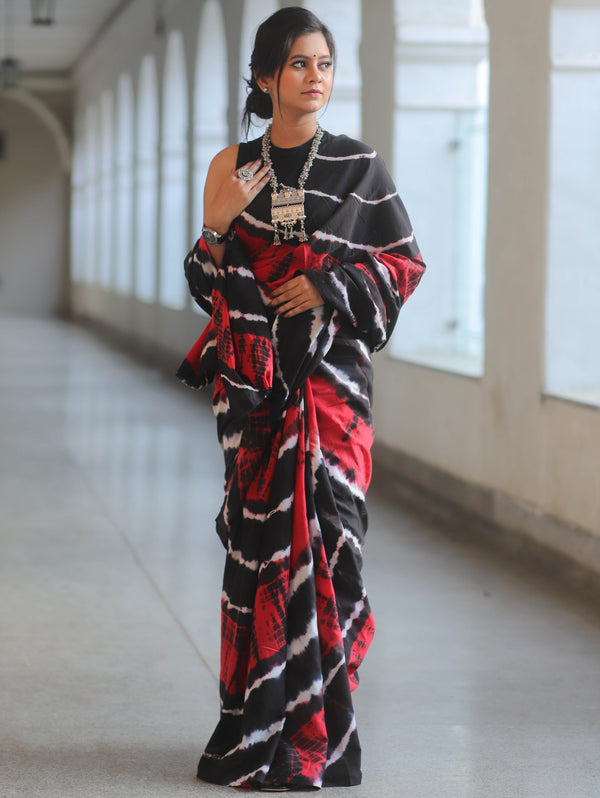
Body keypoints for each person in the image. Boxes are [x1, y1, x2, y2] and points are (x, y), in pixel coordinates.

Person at [177, 6, 425, 791]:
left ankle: (318, 734)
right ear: (263, 77)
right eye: (297, 64)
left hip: (335, 396)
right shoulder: (231, 168)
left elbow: (403, 266)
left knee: (335, 555)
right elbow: (203, 285)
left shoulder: (361, 167)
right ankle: (259, 727)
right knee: (259, 564)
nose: (315, 77)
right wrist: (217, 231)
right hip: (255, 400)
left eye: (324, 63)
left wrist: (326, 281)